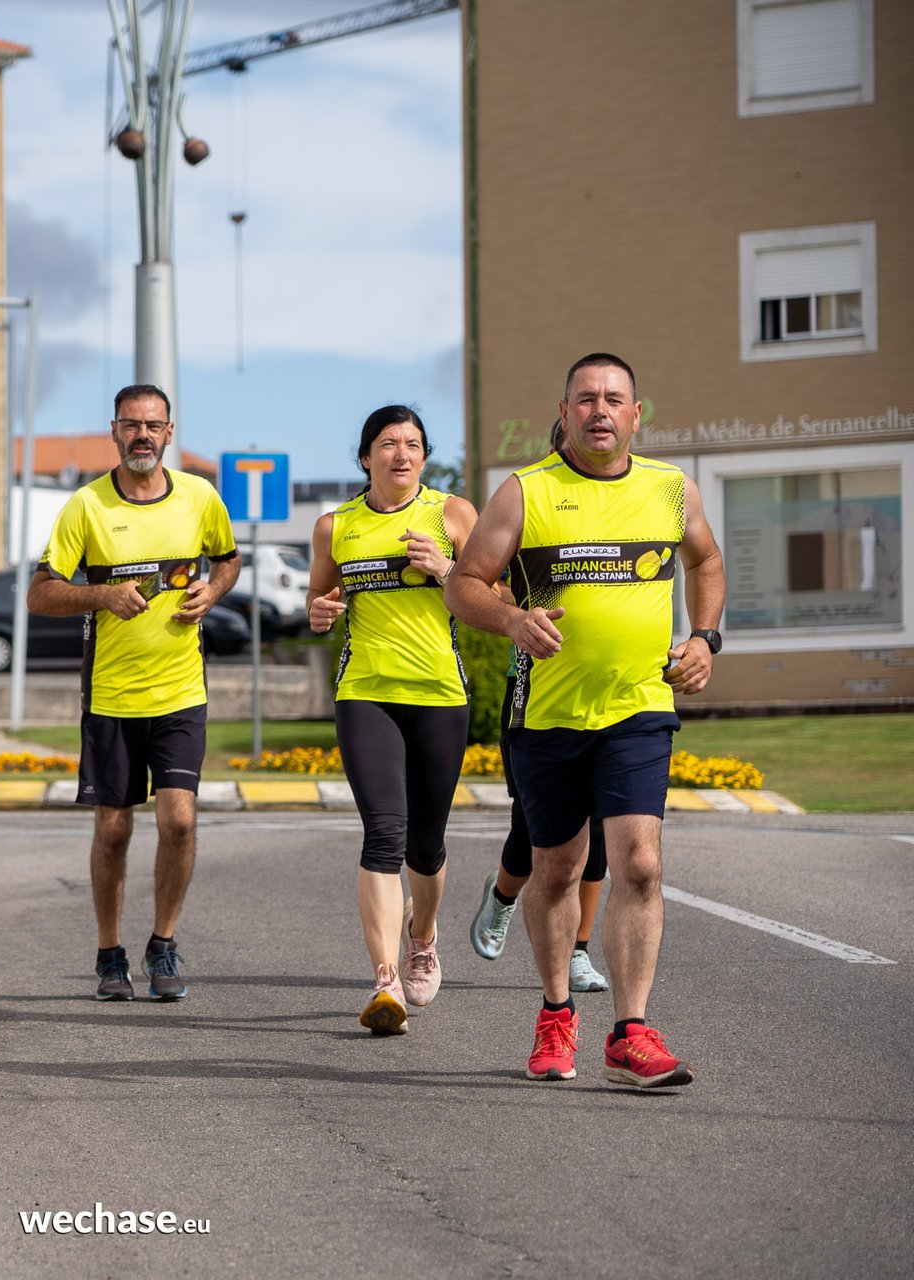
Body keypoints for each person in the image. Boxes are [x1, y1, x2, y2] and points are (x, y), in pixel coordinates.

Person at [445, 352, 726, 1089]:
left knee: (639, 863)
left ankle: (630, 1033)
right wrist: (512, 619)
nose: (600, 410)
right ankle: (556, 1013)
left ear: (637, 414)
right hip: (548, 716)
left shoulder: (671, 489)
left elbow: (708, 563)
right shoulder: (526, 493)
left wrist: (704, 638)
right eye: (586, 399)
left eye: (614, 399)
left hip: (639, 707)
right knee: (560, 867)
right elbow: (463, 586)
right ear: (565, 412)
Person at [27, 384, 240, 1001]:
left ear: (169, 432)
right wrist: (102, 595)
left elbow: (227, 560)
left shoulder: (201, 497)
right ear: (113, 431)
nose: (142, 435)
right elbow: (41, 593)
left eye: (153, 425)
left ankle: (164, 944)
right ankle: (109, 952)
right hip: (112, 698)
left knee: (178, 820)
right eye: (131, 425)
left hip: (180, 692)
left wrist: (214, 591)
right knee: (114, 829)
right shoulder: (85, 507)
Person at [307, 406, 477, 1036]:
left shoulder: (453, 515)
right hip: (365, 693)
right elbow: (318, 599)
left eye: (412, 445)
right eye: (387, 444)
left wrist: (447, 570)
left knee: (425, 846)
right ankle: (385, 981)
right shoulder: (336, 526)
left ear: (424, 458)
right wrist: (321, 613)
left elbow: (499, 599)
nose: (400, 454)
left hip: (439, 694)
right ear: (365, 458)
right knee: (383, 833)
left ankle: (423, 935)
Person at [472, 422, 609, 995]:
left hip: (609, 699)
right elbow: (484, 584)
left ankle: (578, 949)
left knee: (600, 829)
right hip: (535, 692)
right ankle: (503, 898)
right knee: (533, 830)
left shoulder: (614, 509)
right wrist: (517, 616)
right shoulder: (530, 508)